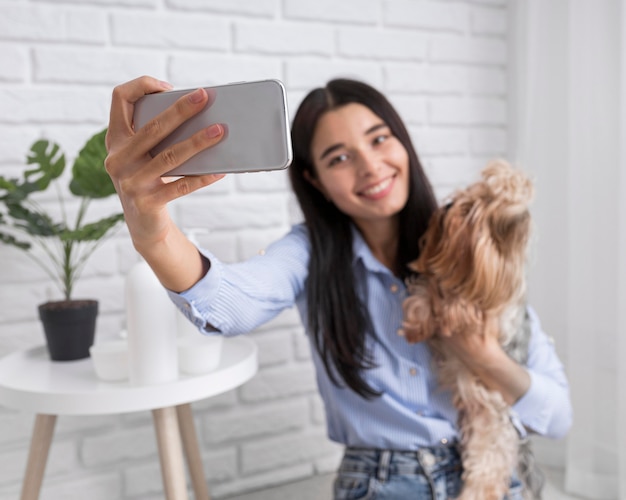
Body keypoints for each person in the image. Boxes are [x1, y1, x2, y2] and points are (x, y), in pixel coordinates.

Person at [105, 76, 572, 499]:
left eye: (379, 140)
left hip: (498, 474)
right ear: (316, 180)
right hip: (385, 482)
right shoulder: (309, 253)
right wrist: (154, 233)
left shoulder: (469, 243)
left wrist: (482, 355)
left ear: (402, 143)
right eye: (340, 157)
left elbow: (556, 416)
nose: (370, 167)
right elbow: (228, 307)